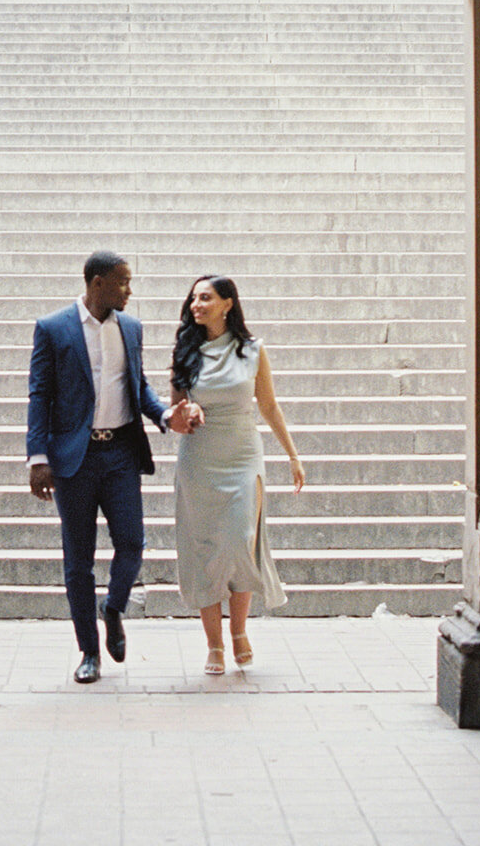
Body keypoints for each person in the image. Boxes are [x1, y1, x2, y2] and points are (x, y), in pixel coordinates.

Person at [27, 250, 198, 683]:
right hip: (74, 460)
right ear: (97, 282)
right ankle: (88, 653)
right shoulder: (53, 329)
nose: (129, 290)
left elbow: (138, 387)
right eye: (123, 281)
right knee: (78, 561)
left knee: (133, 543)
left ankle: (113, 607)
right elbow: (39, 395)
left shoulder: (132, 328)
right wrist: (38, 457)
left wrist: (164, 415)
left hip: (120, 453)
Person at [171, 274, 305, 674]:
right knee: (205, 551)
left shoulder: (253, 349)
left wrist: (293, 456)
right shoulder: (185, 351)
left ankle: (240, 631)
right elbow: (174, 411)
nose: (197, 305)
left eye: (206, 298)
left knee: (239, 542)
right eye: (193, 299)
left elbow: (269, 405)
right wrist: (186, 413)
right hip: (199, 459)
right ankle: (214, 644)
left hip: (243, 456)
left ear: (228, 303)